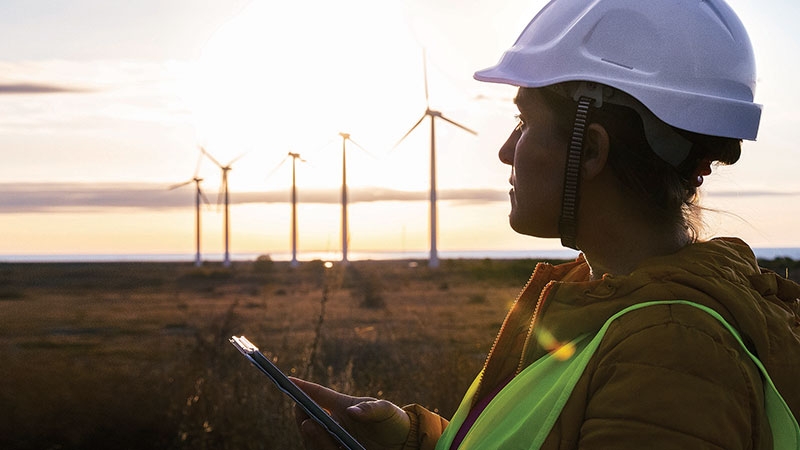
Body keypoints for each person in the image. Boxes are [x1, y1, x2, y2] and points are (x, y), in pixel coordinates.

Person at [292, 0, 800, 448]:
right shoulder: (598, 298)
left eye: (524, 123)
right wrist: (406, 440)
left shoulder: (671, 354)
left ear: (591, 150)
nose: (506, 151)